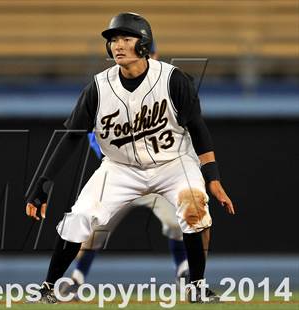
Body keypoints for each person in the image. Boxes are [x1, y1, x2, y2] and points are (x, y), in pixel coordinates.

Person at [25, 12, 235, 304]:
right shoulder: (98, 87)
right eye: (113, 40)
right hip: (119, 168)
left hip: (172, 163)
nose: (117, 45)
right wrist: (43, 183)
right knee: (80, 217)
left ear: (144, 44)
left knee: (194, 206)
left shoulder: (173, 80)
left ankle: (196, 286)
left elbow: (198, 129)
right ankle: (48, 287)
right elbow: (72, 135)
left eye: (126, 38)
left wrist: (212, 178)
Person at [59, 132, 189, 299]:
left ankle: (183, 272)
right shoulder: (101, 110)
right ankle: (77, 279)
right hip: (120, 177)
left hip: (153, 175)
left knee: (176, 222)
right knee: (94, 231)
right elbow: (97, 140)